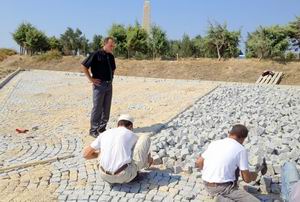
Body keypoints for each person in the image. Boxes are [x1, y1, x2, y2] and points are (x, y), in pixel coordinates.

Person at [195, 124, 260, 202]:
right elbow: (246, 179)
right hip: (223, 188)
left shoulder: (215, 143)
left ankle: (220, 197)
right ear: (243, 138)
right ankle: (219, 198)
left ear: (229, 133)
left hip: (206, 184)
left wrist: (210, 172)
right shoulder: (241, 149)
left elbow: (198, 162)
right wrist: (253, 175)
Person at [83, 114, 153, 184]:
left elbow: (86, 154)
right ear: (131, 126)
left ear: (117, 125)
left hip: (104, 175)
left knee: (103, 147)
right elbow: (139, 152)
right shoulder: (132, 135)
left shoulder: (104, 133)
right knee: (145, 138)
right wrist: (148, 158)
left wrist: (102, 154)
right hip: (124, 176)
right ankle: (146, 164)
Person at [81, 37, 116, 138]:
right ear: (105, 44)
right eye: (111, 45)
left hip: (109, 85)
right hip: (99, 85)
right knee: (97, 108)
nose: (112, 47)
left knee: (107, 108)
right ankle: (93, 130)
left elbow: (113, 69)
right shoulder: (96, 54)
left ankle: (102, 128)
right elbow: (84, 66)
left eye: (113, 45)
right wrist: (91, 79)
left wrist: (111, 78)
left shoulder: (111, 56)